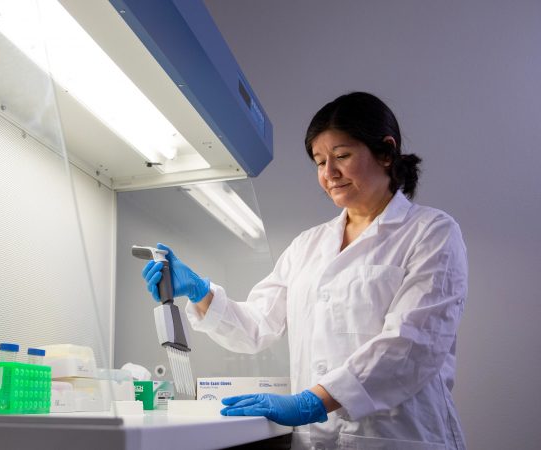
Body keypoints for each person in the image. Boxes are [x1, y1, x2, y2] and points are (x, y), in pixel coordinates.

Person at [141, 92, 467, 449]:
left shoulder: (431, 232)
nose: (329, 173)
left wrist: (312, 401)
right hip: (317, 440)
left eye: (342, 156)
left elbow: (413, 345)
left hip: (397, 437)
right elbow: (257, 325)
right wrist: (199, 291)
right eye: (319, 161)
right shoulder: (308, 245)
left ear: (386, 152)